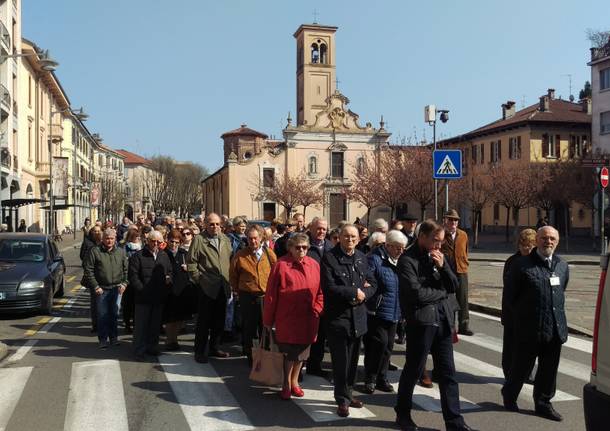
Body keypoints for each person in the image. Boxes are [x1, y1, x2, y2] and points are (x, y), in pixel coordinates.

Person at [394, 219, 471, 431]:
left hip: (444, 320)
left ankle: (454, 422)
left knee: (448, 374)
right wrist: (441, 293)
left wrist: (443, 266)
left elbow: (454, 284)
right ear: (422, 237)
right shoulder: (408, 260)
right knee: (414, 370)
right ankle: (402, 414)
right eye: (435, 241)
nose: (439, 245)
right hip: (421, 322)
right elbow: (416, 293)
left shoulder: (440, 257)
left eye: (441, 241)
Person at [501, 226, 569, 422]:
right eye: (544, 238)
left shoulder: (562, 266)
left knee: (549, 370)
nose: (548, 242)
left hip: (555, 328)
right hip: (529, 329)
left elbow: (560, 291)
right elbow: (511, 297)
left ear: (557, 242)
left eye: (552, 239)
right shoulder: (521, 265)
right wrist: (522, 320)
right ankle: (510, 394)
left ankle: (543, 403)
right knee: (521, 367)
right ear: (537, 240)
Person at [321, 224, 377, 418]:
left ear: (359, 239)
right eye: (346, 236)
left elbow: (373, 283)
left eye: (354, 237)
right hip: (338, 318)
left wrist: (365, 294)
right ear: (340, 237)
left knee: (353, 361)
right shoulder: (330, 257)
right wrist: (354, 292)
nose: (350, 240)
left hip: (358, 318)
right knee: (341, 362)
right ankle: (342, 400)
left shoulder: (362, 257)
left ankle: (348, 393)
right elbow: (329, 287)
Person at [264, 233, 324, 399]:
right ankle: (285, 383)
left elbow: (321, 291)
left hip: (309, 318)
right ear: (290, 248)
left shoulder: (314, 264)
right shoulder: (281, 265)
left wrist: (318, 308)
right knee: (289, 353)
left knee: (302, 354)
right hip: (288, 317)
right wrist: (268, 320)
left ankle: (295, 382)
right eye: (298, 247)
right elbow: (271, 295)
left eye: (305, 247)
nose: (302, 250)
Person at [363, 230, 406, 394]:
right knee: (377, 345)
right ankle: (370, 378)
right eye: (397, 248)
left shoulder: (401, 261)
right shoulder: (375, 259)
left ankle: (382, 378)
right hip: (378, 310)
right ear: (388, 246)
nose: (400, 251)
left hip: (395, 310)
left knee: (388, 347)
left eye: (402, 248)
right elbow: (368, 278)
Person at [187, 212, 232, 363]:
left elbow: (230, 261)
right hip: (206, 287)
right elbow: (191, 263)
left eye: (217, 224)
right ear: (206, 224)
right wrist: (199, 279)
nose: (215, 227)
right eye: (211, 224)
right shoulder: (199, 240)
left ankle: (214, 347)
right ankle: (199, 351)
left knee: (219, 321)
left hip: (223, 286)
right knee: (204, 322)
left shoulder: (225, 239)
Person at [230, 224, 277, 365]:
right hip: (247, 297)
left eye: (255, 238)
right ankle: (250, 355)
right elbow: (233, 276)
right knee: (249, 328)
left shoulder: (269, 254)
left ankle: (266, 355)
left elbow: (276, 273)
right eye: (250, 239)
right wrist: (239, 292)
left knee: (266, 328)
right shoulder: (240, 256)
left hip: (266, 296)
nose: (253, 241)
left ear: (261, 238)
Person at [129, 230, 173, 361]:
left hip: (159, 297)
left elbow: (170, 271)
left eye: (159, 242)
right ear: (147, 241)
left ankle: (152, 348)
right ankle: (139, 351)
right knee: (141, 327)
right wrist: (142, 290)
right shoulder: (138, 256)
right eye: (153, 241)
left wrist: (168, 280)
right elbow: (133, 276)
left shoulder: (164, 255)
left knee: (155, 325)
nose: (155, 244)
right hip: (143, 298)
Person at [83, 228, 128, 349]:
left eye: (112, 238)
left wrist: (124, 283)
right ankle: (103, 339)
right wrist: (95, 286)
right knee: (102, 315)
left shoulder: (121, 252)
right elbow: (89, 270)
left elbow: (126, 270)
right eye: (107, 238)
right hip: (101, 289)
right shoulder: (95, 251)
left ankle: (114, 338)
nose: (109, 241)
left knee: (113, 315)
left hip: (116, 288)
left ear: (115, 239)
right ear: (103, 239)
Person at [501, 228, 537, 379]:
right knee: (510, 346)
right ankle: (509, 372)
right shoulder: (512, 262)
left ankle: (526, 373)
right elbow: (509, 289)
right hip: (513, 312)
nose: (525, 248)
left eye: (529, 245)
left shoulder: (537, 262)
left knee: (528, 347)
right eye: (523, 245)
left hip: (531, 314)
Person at [305, 217, 333, 377]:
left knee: (321, 334)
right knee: (304, 332)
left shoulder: (330, 246)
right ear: (311, 228)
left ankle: (315, 365)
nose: (321, 231)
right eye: (318, 228)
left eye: (324, 228)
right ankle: (298, 365)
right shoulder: (305, 245)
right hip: (308, 295)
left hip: (326, 296)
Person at [163, 229, 195, 351]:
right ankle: (169, 340)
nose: (174, 244)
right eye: (172, 241)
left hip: (182, 290)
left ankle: (174, 339)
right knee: (170, 318)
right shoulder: (164, 253)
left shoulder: (183, 253)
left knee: (179, 318)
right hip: (169, 289)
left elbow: (193, 266)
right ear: (168, 241)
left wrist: (188, 267)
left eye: (177, 242)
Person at [441, 209, 472, 336]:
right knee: (449, 299)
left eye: (455, 220)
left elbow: (465, 250)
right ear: (445, 220)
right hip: (447, 271)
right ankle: (451, 326)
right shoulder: (441, 234)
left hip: (461, 270)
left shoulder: (463, 235)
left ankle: (464, 326)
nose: (453, 222)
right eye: (451, 219)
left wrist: (465, 262)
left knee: (463, 299)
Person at [80, 225, 103, 333]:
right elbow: (82, 256)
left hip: (104, 277)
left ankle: (103, 324)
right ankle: (96, 325)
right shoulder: (87, 243)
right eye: (95, 231)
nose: (97, 233)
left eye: (99, 231)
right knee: (95, 303)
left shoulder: (103, 244)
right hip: (93, 277)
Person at [122, 229, 143, 333]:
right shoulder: (125, 247)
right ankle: (127, 324)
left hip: (138, 278)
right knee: (127, 303)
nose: (138, 238)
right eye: (136, 236)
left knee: (136, 303)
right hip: (128, 278)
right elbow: (123, 262)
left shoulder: (141, 247)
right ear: (131, 237)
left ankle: (136, 323)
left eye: (139, 237)